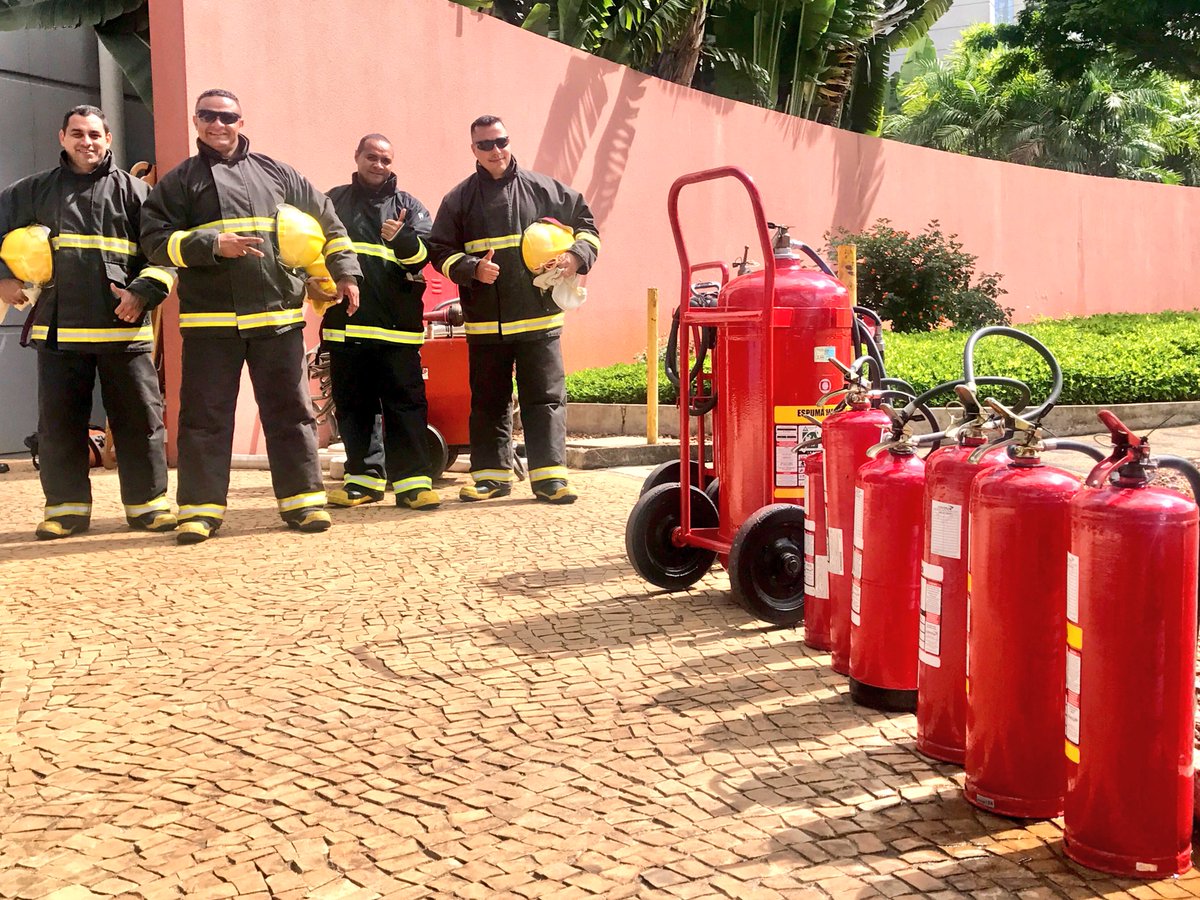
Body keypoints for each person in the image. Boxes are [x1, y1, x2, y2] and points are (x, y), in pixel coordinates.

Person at [140, 89, 361, 544]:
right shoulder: (180, 182)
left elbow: (329, 221)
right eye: (208, 116)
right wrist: (209, 246)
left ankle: (304, 503)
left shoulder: (275, 173)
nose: (217, 124)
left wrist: (345, 273)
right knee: (204, 417)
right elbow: (154, 240)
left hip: (277, 317)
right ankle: (200, 512)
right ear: (196, 120)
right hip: (211, 323)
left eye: (227, 116)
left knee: (292, 413)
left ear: (242, 121)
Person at [0, 105, 176, 540]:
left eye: (95, 134)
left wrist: (143, 292)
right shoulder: (30, 191)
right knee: (60, 426)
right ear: (62, 137)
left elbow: (164, 256)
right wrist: (3, 278)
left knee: (140, 422)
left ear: (108, 139)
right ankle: (65, 510)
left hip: (125, 326)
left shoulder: (138, 194)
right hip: (59, 331)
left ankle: (148, 506)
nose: (87, 142)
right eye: (77, 133)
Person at [428, 116, 600, 504]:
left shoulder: (544, 189)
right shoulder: (458, 199)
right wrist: (472, 268)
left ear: (509, 141)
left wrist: (576, 256)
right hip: (486, 324)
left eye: (500, 141)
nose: (495, 150)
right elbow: (439, 251)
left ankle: (551, 478)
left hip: (540, 319)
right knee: (488, 402)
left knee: (546, 399)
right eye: (485, 144)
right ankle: (491, 477)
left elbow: (587, 226)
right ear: (473, 149)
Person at [321, 134, 440, 511]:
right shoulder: (332, 202)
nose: (378, 164)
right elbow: (312, 250)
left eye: (385, 159)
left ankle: (413, 484)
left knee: (405, 407)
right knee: (353, 406)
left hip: (397, 330)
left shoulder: (410, 207)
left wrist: (403, 240)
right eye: (371, 157)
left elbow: (423, 259)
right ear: (356, 157)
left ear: (393, 163)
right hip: (346, 327)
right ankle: (363, 481)